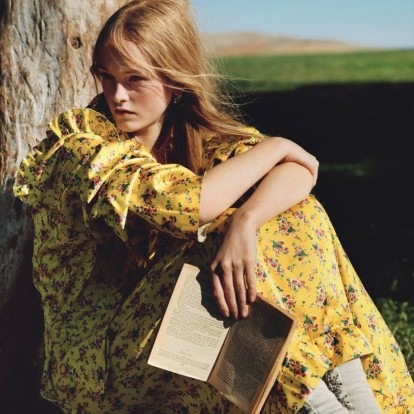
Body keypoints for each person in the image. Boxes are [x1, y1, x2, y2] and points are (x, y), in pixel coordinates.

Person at [13, 0, 413, 413]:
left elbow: (297, 174)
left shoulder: (197, 138)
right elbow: (188, 203)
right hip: (100, 365)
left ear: (174, 79)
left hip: (185, 330)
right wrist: (277, 147)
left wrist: (247, 220)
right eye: (106, 77)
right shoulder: (82, 146)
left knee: (294, 215)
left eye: (135, 79)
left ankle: (350, 406)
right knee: (218, 236)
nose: (117, 95)